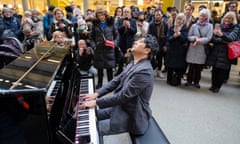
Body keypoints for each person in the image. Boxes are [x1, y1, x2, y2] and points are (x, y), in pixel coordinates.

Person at [79, 34, 158, 144]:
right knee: (86, 115)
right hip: (122, 107)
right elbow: (116, 81)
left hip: (133, 115)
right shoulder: (134, 63)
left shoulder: (144, 71)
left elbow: (122, 96)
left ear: (147, 50)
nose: (135, 42)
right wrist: (97, 94)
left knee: (93, 129)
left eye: (140, 42)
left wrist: (96, 102)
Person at [206, 12, 239, 93]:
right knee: (214, 70)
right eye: (226, 18)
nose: (227, 20)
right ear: (223, 18)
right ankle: (213, 85)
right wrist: (222, 39)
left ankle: (217, 87)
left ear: (233, 20)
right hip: (215, 51)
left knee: (222, 70)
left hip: (226, 52)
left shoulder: (236, 28)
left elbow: (231, 38)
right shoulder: (219, 26)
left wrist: (220, 35)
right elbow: (213, 38)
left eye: (230, 18)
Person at [90, 7, 118, 89]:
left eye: (102, 15)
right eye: (99, 15)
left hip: (109, 48)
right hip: (99, 49)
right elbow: (91, 37)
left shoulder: (111, 23)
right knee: (100, 68)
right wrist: (94, 45)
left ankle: (110, 84)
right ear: (97, 16)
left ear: (105, 15)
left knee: (109, 68)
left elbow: (117, 35)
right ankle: (99, 84)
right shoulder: (95, 25)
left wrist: (114, 44)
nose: (101, 17)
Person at [185, 8, 213, 88]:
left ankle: (196, 82)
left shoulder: (210, 26)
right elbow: (189, 36)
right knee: (191, 66)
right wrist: (194, 38)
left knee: (198, 67)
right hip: (192, 48)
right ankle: (188, 80)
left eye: (204, 16)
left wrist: (199, 40)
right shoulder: (194, 25)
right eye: (201, 15)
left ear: (207, 17)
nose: (201, 17)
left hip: (202, 48)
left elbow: (209, 38)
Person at [166, 13, 188, 86]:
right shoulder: (172, 27)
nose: (179, 20)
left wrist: (180, 35)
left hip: (180, 50)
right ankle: (169, 79)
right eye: (178, 18)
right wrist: (174, 36)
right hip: (172, 49)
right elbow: (168, 38)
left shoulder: (185, 28)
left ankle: (177, 80)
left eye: (181, 19)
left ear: (183, 21)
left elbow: (185, 39)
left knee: (179, 66)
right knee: (170, 65)